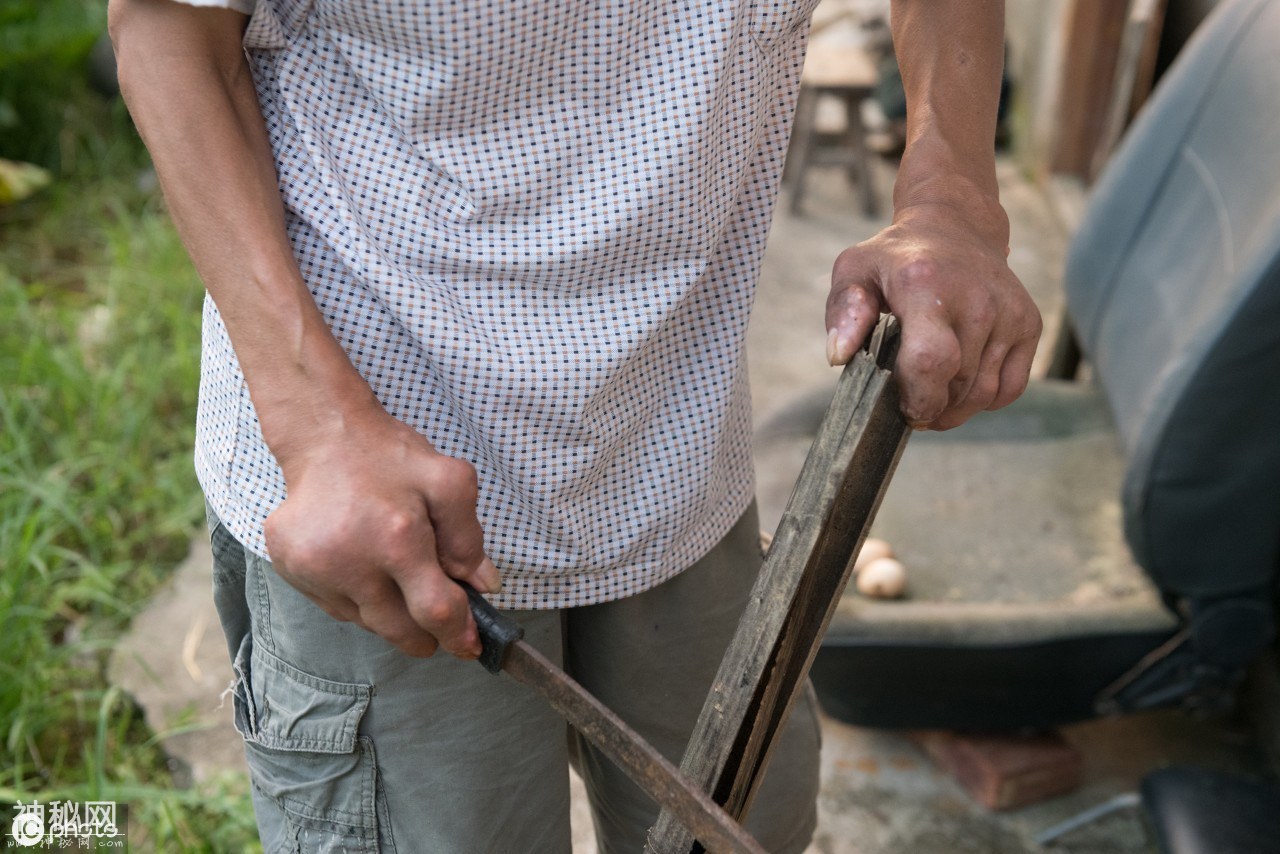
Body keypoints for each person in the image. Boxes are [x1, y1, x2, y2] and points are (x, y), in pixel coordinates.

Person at [108, 0, 1041, 850]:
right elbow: (168, 27)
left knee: (751, 822)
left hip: (676, 437)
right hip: (385, 472)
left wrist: (950, 198)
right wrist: (313, 427)